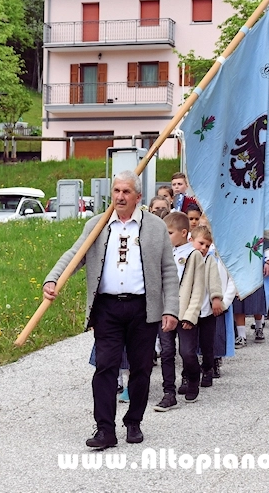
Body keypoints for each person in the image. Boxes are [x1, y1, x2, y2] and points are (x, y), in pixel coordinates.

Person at [43, 171, 179, 449]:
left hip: (143, 308)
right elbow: (75, 254)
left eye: (126, 191)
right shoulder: (97, 224)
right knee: (105, 367)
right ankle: (105, 429)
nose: (120, 196)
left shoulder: (155, 227)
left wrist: (171, 309)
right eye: (117, 191)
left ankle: (133, 421)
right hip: (107, 307)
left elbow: (168, 270)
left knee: (141, 368)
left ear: (138, 197)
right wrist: (53, 278)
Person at [154, 211, 205, 411]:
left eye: (169, 233)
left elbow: (198, 289)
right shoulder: (164, 254)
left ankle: (193, 377)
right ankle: (169, 393)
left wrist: (191, 315)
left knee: (187, 352)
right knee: (166, 352)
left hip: (184, 313)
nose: (166, 237)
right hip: (165, 311)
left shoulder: (194, 255)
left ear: (184, 233)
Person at [189, 225, 224, 388]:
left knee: (207, 343)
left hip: (206, 310)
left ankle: (208, 369)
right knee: (188, 345)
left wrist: (216, 298)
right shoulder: (186, 259)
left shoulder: (209, 261)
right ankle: (189, 373)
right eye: (201, 243)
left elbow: (215, 280)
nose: (204, 248)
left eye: (207, 245)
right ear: (191, 241)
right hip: (190, 311)